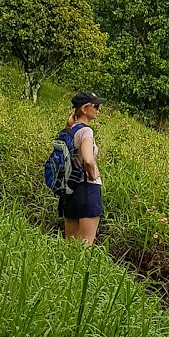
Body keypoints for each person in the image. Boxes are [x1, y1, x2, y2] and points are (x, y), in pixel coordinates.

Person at [60, 92, 103, 245]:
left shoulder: (69, 130)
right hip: (88, 189)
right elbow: (88, 159)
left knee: (69, 244)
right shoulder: (86, 131)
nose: (98, 109)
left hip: (70, 189)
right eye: (96, 106)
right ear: (85, 109)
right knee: (85, 245)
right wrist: (93, 174)